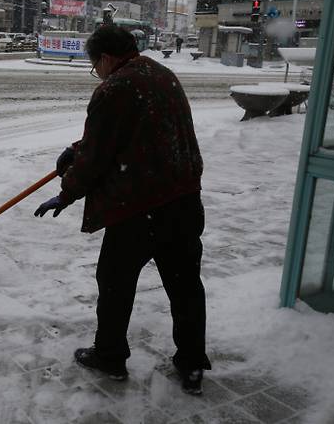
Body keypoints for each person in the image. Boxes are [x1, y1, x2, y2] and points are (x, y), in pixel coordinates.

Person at [34, 25, 210, 395]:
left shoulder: (113, 89)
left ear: (107, 58)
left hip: (139, 207)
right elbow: (136, 128)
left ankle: (111, 356)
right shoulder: (162, 75)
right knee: (185, 288)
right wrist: (77, 147)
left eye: (94, 63)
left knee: (114, 284)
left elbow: (97, 158)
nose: (95, 71)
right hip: (183, 201)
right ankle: (192, 363)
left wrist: (66, 193)